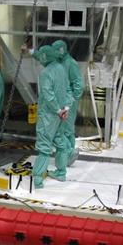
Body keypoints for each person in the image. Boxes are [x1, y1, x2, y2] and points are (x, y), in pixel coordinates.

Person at [31, 45, 71, 187]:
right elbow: (68, 90)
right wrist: (66, 108)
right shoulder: (61, 69)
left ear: (45, 57)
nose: (40, 58)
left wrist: (57, 110)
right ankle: (61, 173)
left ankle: (37, 179)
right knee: (60, 142)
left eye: (41, 56)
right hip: (62, 114)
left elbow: (48, 95)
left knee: (44, 145)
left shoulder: (45, 73)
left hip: (49, 115)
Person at [50, 39, 83, 169]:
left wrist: (70, 102)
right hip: (60, 102)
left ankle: (69, 155)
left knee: (67, 129)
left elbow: (78, 85)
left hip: (68, 103)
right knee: (60, 129)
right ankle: (64, 155)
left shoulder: (70, 63)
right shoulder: (58, 62)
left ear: (62, 50)